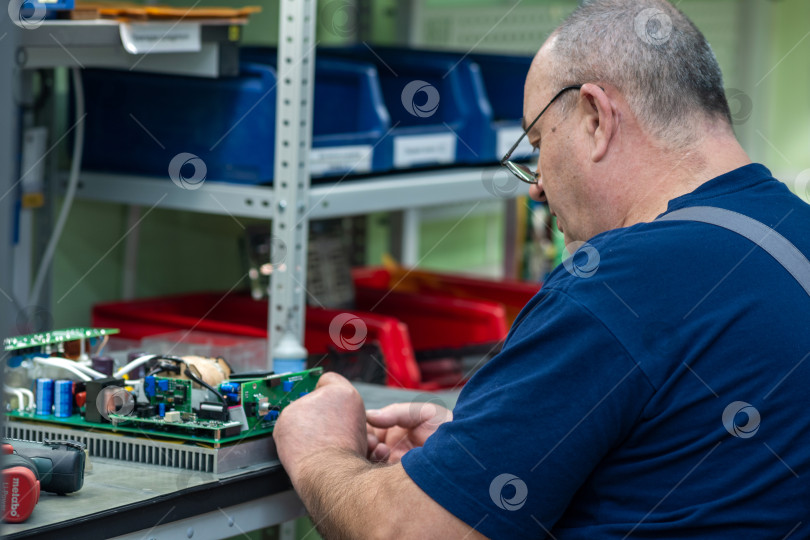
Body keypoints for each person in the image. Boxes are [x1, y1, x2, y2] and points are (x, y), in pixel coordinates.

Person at [274, 0, 810, 537]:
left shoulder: (619, 285)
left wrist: (320, 450)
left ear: (596, 118)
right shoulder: (794, 230)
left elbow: (405, 532)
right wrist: (473, 455)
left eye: (537, 146)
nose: (535, 186)